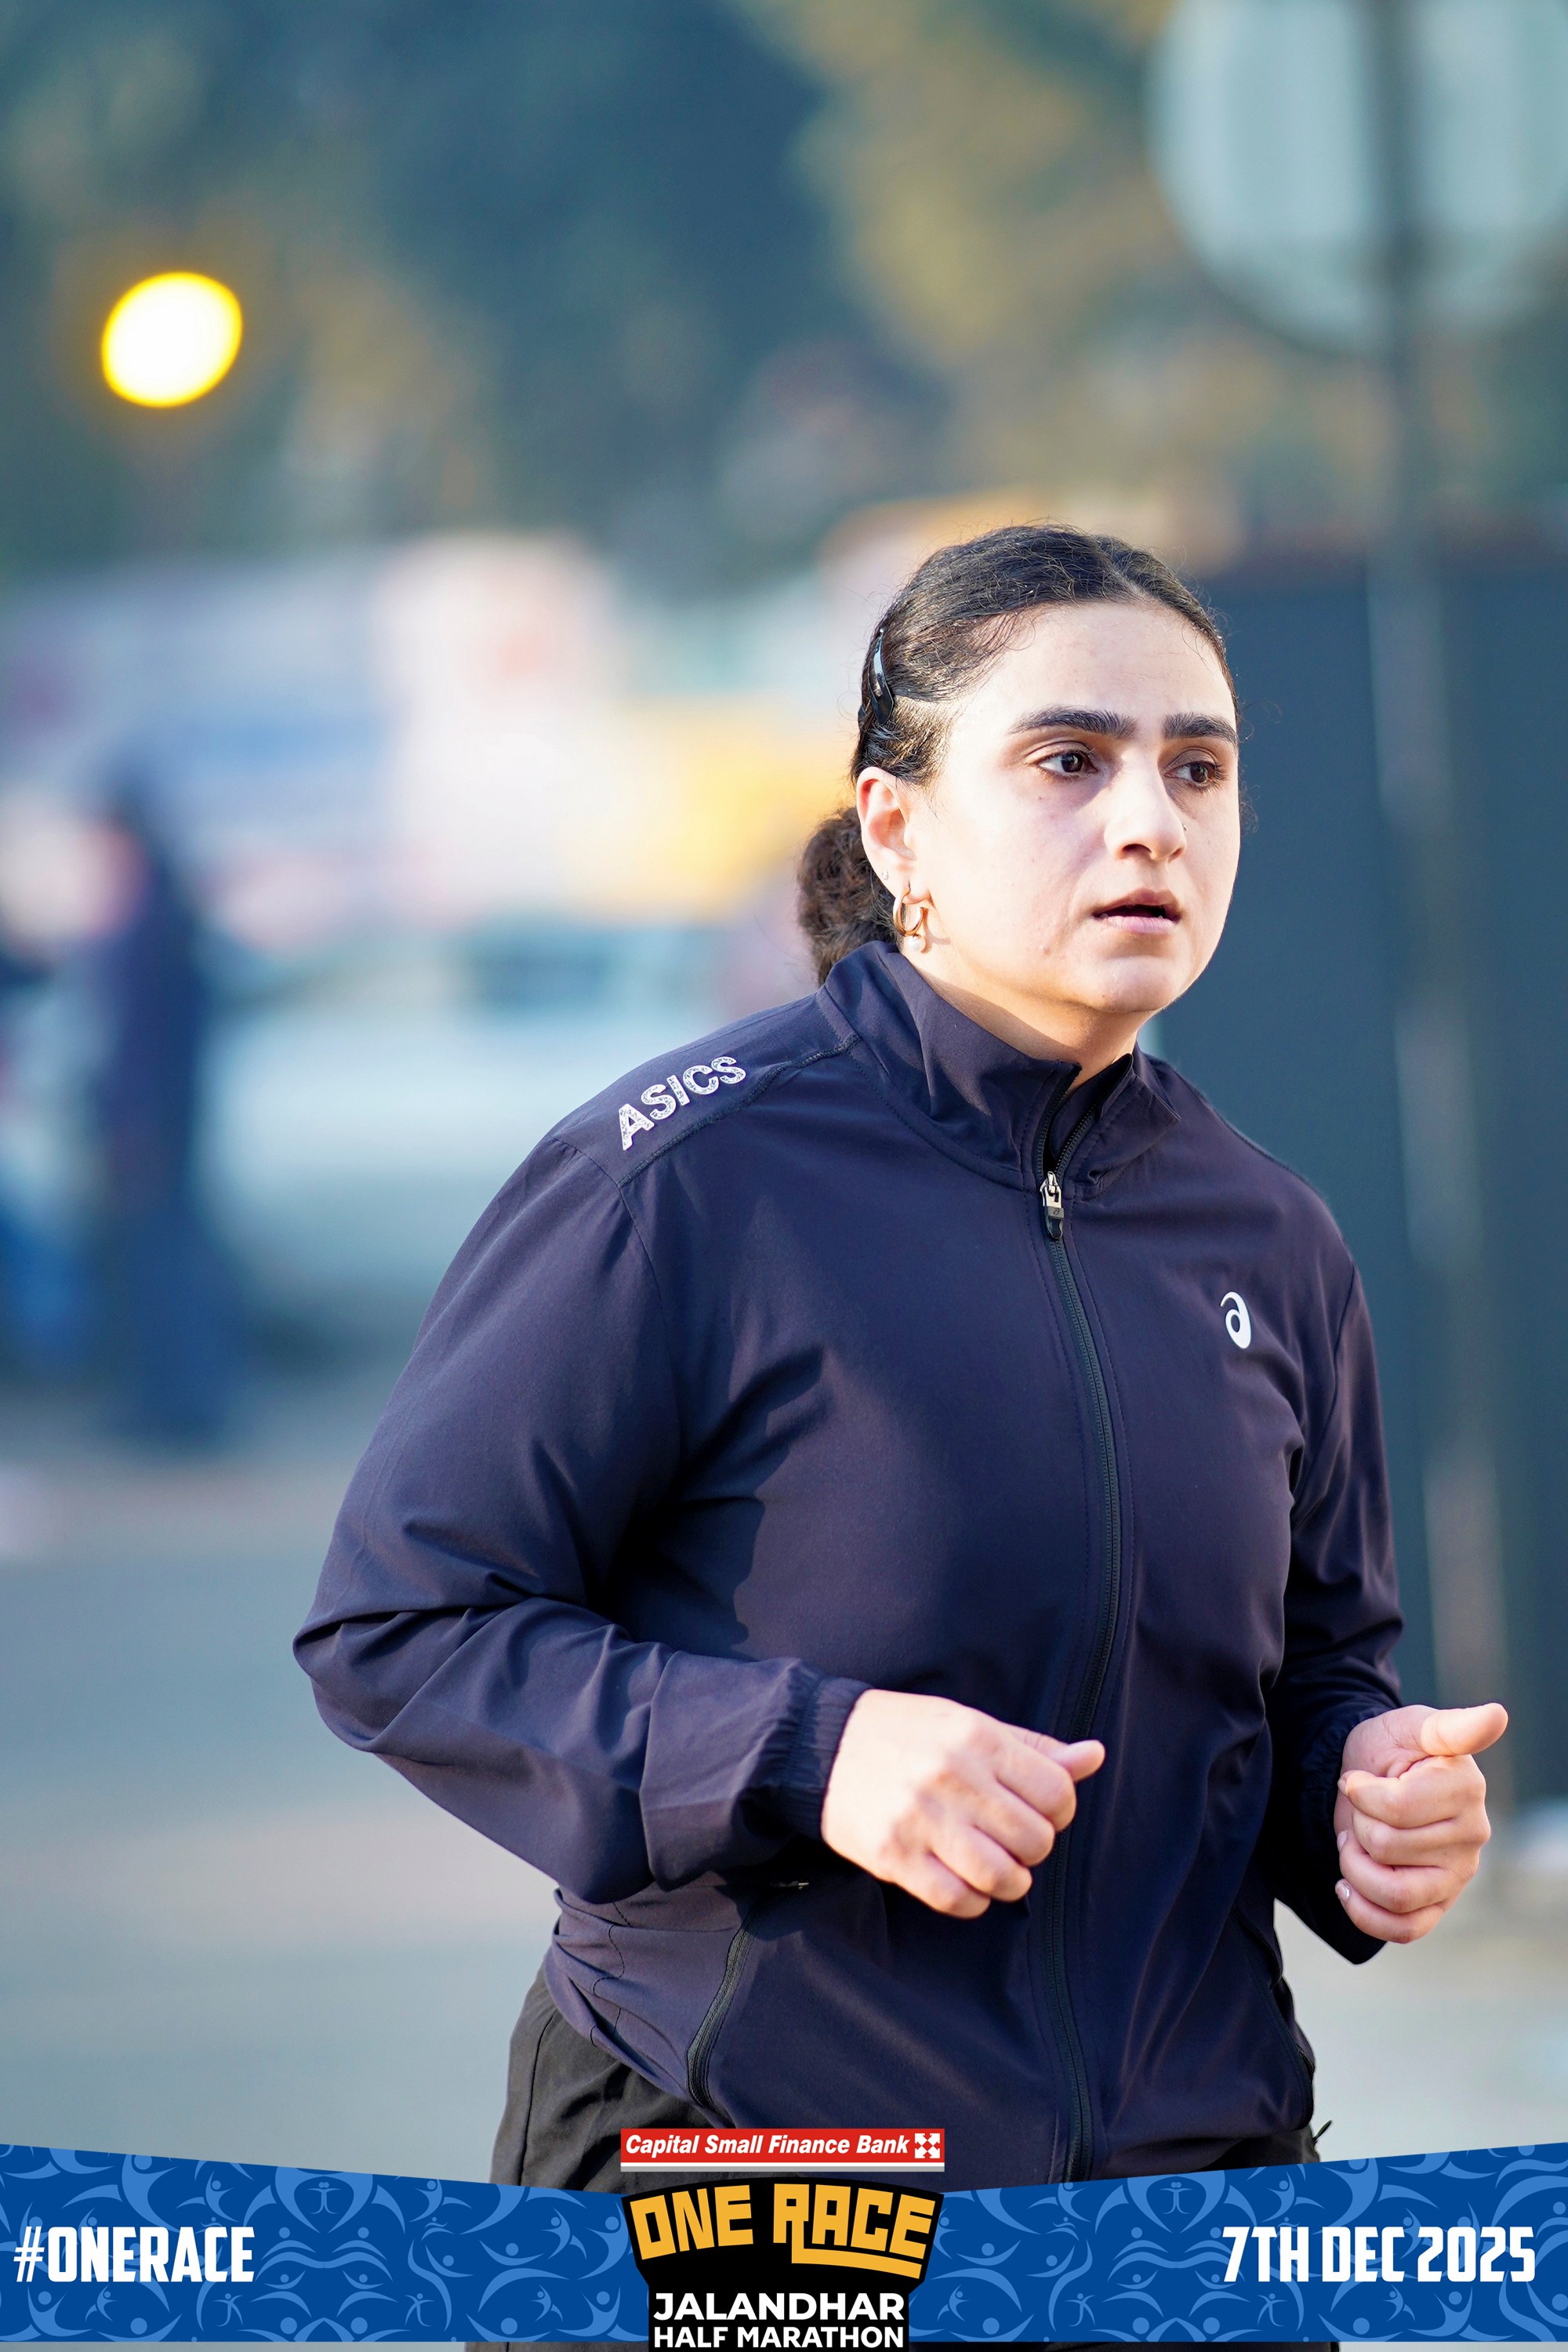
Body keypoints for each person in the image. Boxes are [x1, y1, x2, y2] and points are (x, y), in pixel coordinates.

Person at [296, 528, 1503, 2216]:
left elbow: (1313, 1675)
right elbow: (402, 1628)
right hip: (765, 2169)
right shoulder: (687, 1181)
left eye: (1198, 767)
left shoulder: (1270, 1234)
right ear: (895, 826)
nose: (1151, 820)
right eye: (1067, 760)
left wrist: (1363, 1797)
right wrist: (815, 1752)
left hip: (1187, 2193)